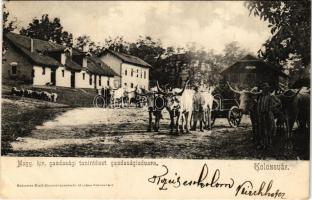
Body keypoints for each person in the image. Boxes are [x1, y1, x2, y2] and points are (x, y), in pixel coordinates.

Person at [257, 82, 281, 149]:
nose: (264, 90)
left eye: (265, 88)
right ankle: (263, 144)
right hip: (262, 115)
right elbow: (259, 106)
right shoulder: (261, 97)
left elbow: (279, 102)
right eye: (263, 88)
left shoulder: (271, 96)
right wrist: (259, 113)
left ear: (267, 89)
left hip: (268, 114)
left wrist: (272, 106)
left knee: (269, 129)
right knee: (262, 129)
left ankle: (269, 144)